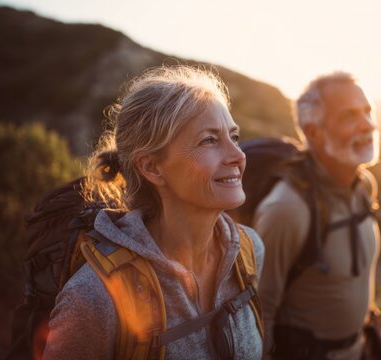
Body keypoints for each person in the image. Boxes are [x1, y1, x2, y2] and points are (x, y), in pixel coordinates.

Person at [43, 66, 264, 359]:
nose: (238, 155)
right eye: (209, 140)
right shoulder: (95, 298)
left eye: (233, 137)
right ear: (151, 167)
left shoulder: (248, 252)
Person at [254, 72, 381, 360]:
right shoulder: (286, 209)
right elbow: (262, 311)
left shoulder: (363, 187)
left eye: (368, 111)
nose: (367, 124)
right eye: (349, 116)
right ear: (314, 132)